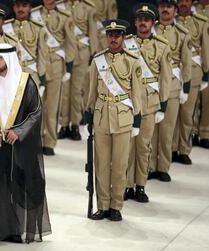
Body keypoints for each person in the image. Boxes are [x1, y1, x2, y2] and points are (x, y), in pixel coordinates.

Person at [0, 43, 51, 244]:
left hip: (17, 146)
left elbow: (36, 112)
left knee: (15, 187)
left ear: (10, 60)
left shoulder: (25, 83)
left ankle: (12, 230)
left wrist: (19, 131)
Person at [86, 19, 142, 221]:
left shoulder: (132, 61)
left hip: (123, 118)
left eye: (117, 35)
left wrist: (137, 121)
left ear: (124, 37)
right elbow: (91, 91)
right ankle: (102, 205)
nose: (113, 39)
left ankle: (116, 206)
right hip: (101, 116)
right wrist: (88, 115)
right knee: (101, 164)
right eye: (110, 35)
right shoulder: (97, 60)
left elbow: (137, 94)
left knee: (119, 165)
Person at [124, 3, 171, 202]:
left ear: (153, 23)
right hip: (128, 104)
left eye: (147, 20)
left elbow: (166, 78)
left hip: (150, 104)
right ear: (135, 22)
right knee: (127, 147)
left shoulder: (162, 45)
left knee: (144, 146)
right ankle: (126, 186)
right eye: (140, 19)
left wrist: (163, 105)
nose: (143, 23)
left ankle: (140, 185)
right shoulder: (125, 44)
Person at [148, 0, 192, 182]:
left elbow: (187, 62)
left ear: (175, 10)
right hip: (151, 86)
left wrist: (186, 87)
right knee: (151, 131)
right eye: (162, 6)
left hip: (172, 85)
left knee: (167, 129)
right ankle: (149, 166)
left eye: (169, 7)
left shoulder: (183, 33)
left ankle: (163, 166)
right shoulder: (151, 30)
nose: (165, 10)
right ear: (158, 9)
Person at [30, 0, 75, 155]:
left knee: (53, 105)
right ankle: (36, 140)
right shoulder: (34, 14)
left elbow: (70, 42)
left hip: (56, 64)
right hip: (37, 64)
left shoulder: (65, 16)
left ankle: (49, 141)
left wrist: (68, 66)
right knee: (37, 105)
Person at [56, 0, 99, 141]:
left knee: (76, 91)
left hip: (82, 52)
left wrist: (93, 54)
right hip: (65, 52)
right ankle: (63, 125)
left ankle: (75, 124)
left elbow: (93, 32)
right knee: (64, 91)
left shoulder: (88, 8)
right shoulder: (60, 6)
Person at [172, 0, 209, 162]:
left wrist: (206, 72)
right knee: (172, 115)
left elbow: (206, 48)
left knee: (188, 115)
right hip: (173, 74)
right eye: (180, 1)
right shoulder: (170, 23)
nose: (183, 4)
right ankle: (171, 148)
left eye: (186, 0)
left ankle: (184, 149)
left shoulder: (200, 22)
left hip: (193, 73)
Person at [4, 0, 48, 87]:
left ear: (30, 8)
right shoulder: (5, 28)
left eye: (24, 5)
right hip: (12, 76)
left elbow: (42, 55)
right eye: (18, 6)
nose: (20, 9)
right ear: (13, 8)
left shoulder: (38, 28)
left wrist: (42, 79)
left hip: (32, 73)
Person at [191, 0, 209, 148]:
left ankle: (205, 133)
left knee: (207, 100)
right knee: (193, 100)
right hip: (193, 60)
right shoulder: (192, 8)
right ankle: (193, 132)